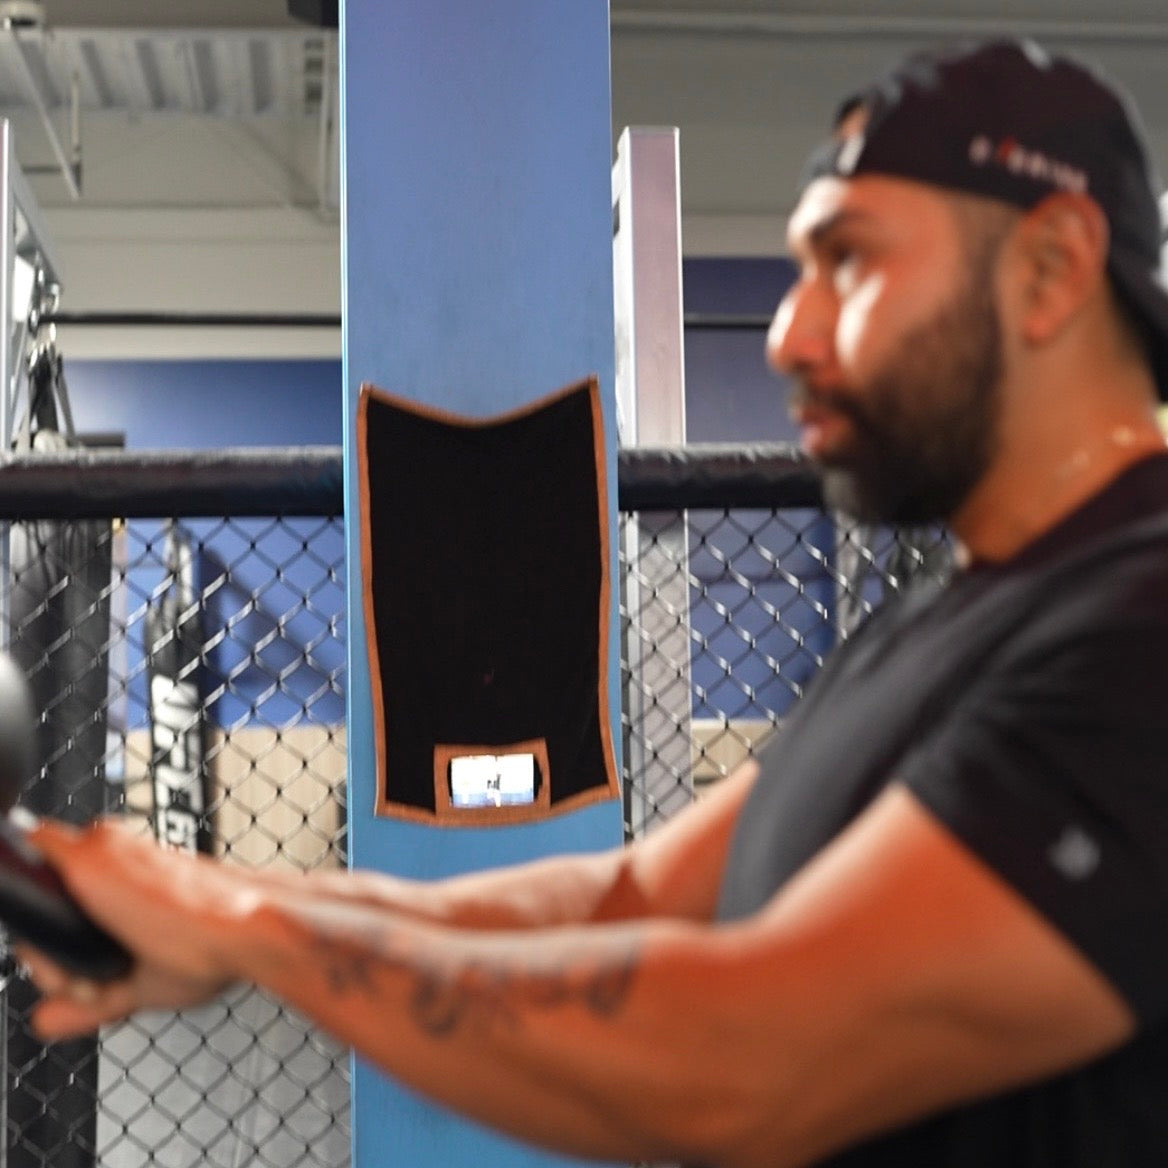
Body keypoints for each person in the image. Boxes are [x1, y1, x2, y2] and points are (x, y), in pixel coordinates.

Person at [17, 38, 1168, 1168]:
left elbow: (746, 1059)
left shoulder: (1137, 629)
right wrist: (224, 902)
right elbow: (632, 895)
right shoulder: (953, 615)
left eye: (849, 261)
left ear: (1050, 268)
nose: (786, 333)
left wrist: (251, 932)